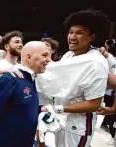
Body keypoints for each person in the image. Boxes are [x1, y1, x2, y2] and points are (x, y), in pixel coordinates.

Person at [39, 9, 110, 147]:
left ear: (91, 37)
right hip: (60, 122)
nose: (72, 36)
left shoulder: (95, 63)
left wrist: (58, 108)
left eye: (79, 33)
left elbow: (93, 104)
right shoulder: (69, 55)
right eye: (71, 32)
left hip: (77, 128)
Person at [0, 41, 52, 147]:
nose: (49, 60)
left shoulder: (31, 79)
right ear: (28, 58)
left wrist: (40, 109)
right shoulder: (10, 79)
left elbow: (18, 107)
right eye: (44, 55)